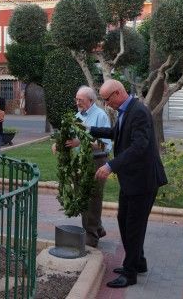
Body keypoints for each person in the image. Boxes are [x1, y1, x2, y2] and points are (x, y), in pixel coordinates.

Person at [91, 79, 167, 289]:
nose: (107, 105)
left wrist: (110, 166)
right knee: (125, 220)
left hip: (143, 181)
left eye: (107, 100)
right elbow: (118, 133)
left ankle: (130, 272)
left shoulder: (139, 112)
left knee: (133, 226)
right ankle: (138, 261)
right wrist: (90, 130)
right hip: (132, 180)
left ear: (117, 93)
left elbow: (139, 146)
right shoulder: (128, 110)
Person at [60, 85, 112, 247]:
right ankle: (98, 227)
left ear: (90, 100)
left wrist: (80, 141)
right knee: (82, 197)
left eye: (80, 100)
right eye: (76, 99)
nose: (77, 102)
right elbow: (69, 137)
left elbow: (105, 145)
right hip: (80, 161)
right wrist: (59, 143)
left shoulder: (100, 116)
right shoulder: (77, 116)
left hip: (97, 160)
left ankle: (91, 236)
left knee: (93, 199)